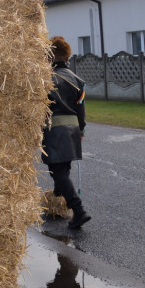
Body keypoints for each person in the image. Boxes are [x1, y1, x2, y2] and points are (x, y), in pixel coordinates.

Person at [43, 35, 90, 229]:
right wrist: (81, 128)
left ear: (51, 55)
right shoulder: (78, 81)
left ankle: (78, 210)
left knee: (57, 170)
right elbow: (81, 108)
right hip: (73, 129)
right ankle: (57, 200)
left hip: (56, 129)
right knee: (64, 169)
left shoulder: (47, 79)